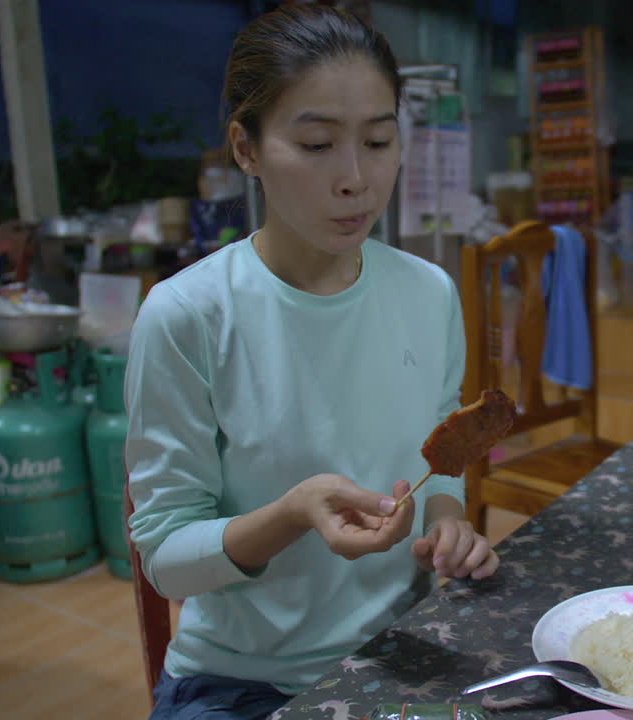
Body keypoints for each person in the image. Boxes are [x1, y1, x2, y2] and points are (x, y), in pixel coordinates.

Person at [125, 7, 499, 719]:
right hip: (243, 684)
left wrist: (448, 524)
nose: (356, 178)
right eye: (318, 143)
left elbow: (440, 461)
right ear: (247, 148)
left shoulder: (428, 292)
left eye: (380, 140)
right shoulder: (189, 316)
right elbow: (166, 560)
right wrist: (292, 513)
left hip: (403, 648)